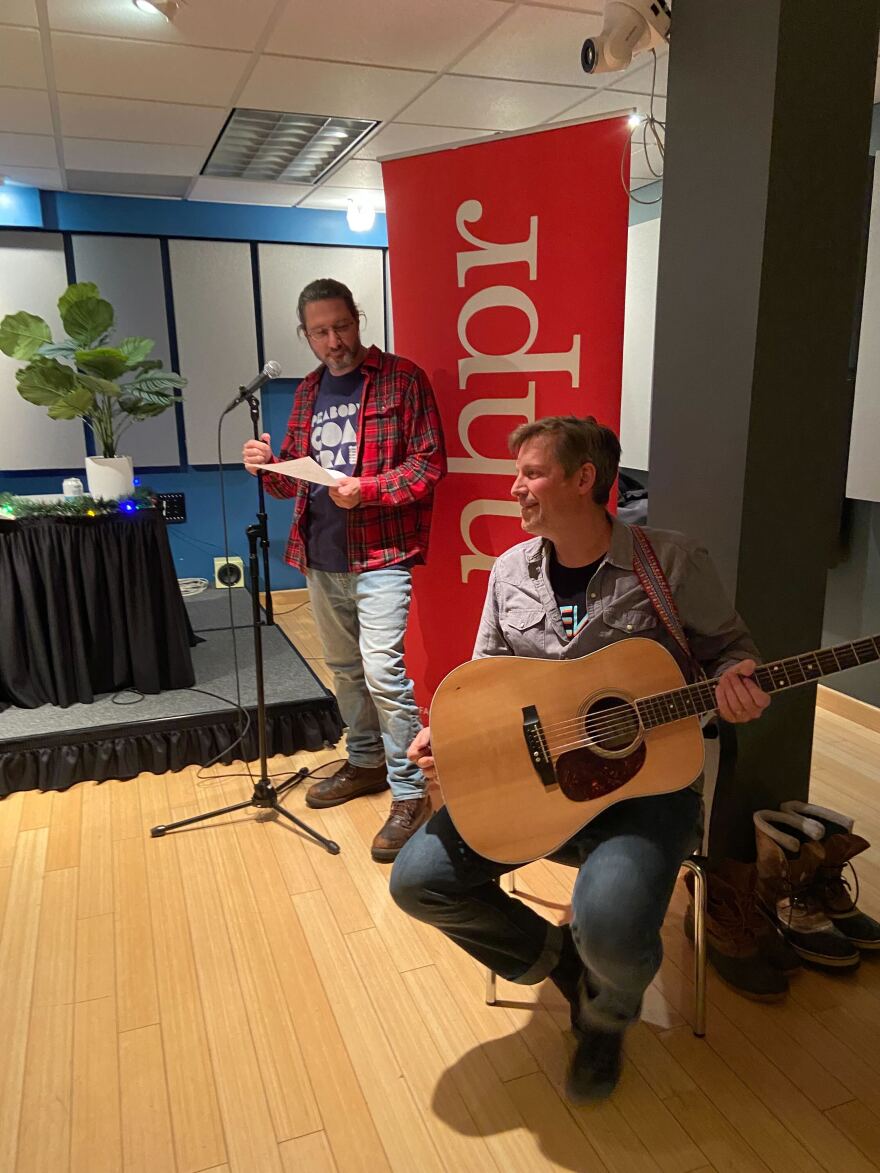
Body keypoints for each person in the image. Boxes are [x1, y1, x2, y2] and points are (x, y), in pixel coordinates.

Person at [390, 415, 769, 1103]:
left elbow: (734, 653)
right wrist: (452, 743)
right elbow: (485, 683)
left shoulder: (673, 562)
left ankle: (607, 1013)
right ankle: (563, 963)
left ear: (584, 479)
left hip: (644, 793)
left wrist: (740, 684)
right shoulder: (511, 570)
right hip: (536, 795)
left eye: (531, 473)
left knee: (616, 928)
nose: (517, 488)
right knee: (417, 880)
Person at [243, 277, 445, 862]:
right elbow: (291, 483)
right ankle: (364, 762)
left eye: (343, 326)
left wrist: (372, 489)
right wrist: (264, 466)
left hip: (383, 555)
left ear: (358, 318)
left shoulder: (403, 379)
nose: (335, 341)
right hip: (320, 553)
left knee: (383, 672)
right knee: (343, 669)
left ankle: (410, 793)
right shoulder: (306, 392)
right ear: (305, 335)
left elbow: (430, 464)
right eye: (321, 332)